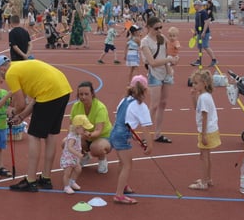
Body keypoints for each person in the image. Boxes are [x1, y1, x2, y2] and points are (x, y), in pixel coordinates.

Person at [0, 55, 72, 192]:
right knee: (50, 135)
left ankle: (31, 180)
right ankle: (46, 178)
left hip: (49, 94)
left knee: (34, 136)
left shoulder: (11, 72)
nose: (2, 78)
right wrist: (22, 116)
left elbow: (21, 104)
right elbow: (35, 99)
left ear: (1, 68)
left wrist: (12, 112)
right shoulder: (23, 66)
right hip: (63, 90)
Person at [108, 75, 154, 204]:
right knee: (127, 165)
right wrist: (149, 145)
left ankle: (123, 186)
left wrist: (132, 135)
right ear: (145, 90)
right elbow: (146, 128)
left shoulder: (125, 100)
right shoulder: (141, 106)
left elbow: (122, 119)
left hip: (115, 131)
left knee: (122, 162)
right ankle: (119, 195)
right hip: (122, 135)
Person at [140, 16, 178, 144]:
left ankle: (158, 133)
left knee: (163, 104)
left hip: (166, 73)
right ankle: (145, 135)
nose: (159, 30)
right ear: (149, 27)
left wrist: (173, 58)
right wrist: (168, 60)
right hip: (155, 73)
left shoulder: (162, 38)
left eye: (161, 27)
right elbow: (152, 62)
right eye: (156, 28)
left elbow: (169, 51)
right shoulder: (145, 42)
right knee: (154, 105)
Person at [69, 81, 112, 174]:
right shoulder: (76, 106)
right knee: (66, 143)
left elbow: (98, 131)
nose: (83, 97)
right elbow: (72, 126)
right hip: (86, 136)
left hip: (103, 137)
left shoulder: (100, 108)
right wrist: (78, 133)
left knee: (96, 147)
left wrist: (88, 134)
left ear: (92, 94)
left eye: (86, 94)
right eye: (81, 94)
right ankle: (84, 155)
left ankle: (102, 160)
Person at [188, 70, 221, 190]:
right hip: (210, 130)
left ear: (204, 84)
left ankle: (204, 181)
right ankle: (208, 178)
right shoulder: (204, 96)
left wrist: (203, 134)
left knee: (203, 157)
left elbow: (204, 116)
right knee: (206, 155)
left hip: (207, 131)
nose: (194, 85)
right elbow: (196, 109)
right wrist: (193, 96)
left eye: (196, 83)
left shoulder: (204, 98)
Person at [60, 115, 92, 194]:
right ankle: (66, 186)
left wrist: (87, 133)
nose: (85, 130)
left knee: (78, 169)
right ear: (77, 128)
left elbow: (83, 134)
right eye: (84, 128)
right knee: (67, 172)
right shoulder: (72, 137)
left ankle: (72, 182)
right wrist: (78, 154)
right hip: (69, 157)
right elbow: (69, 147)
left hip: (74, 157)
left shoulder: (77, 134)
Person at [190, 0, 217, 67]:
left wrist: (204, 32)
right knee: (200, 47)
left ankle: (214, 60)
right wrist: (195, 31)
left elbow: (206, 22)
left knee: (205, 46)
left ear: (198, 5)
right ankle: (199, 60)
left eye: (195, 5)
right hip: (199, 32)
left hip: (204, 32)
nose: (194, 6)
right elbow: (196, 23)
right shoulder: (197, 12)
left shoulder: (203, 12)